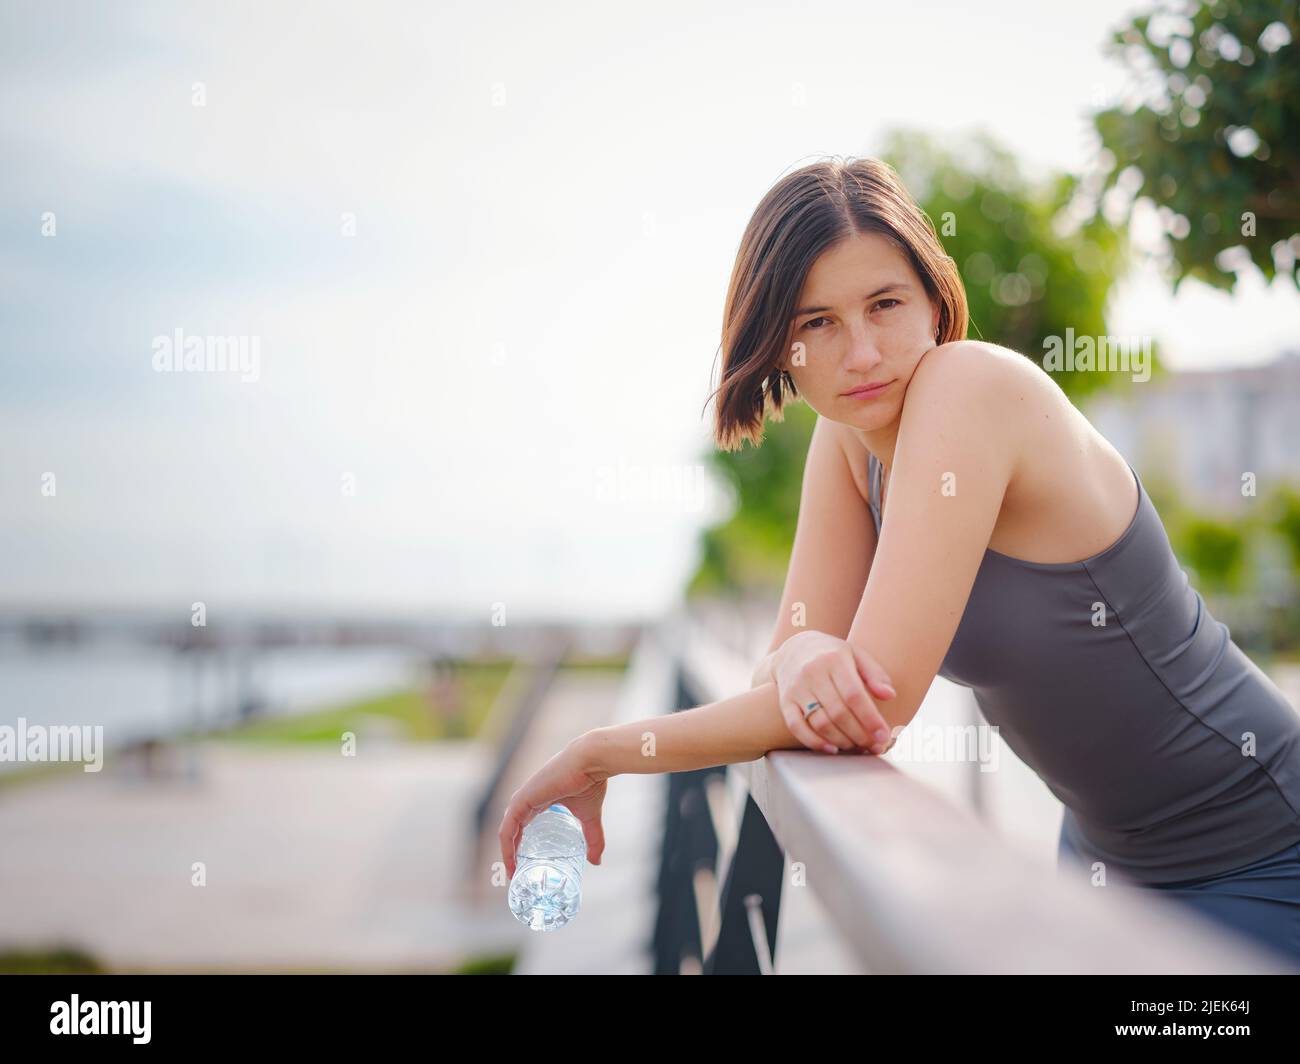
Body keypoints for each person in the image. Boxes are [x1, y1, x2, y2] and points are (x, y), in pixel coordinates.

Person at [498, 156, 1300, 968]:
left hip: (1260, 848)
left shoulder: (970, 387)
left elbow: (875, 701)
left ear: (934, 297)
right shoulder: (847, 440)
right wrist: (804, 650)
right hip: (1102, 856)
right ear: (776, 343)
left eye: (885, 304)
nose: (862, 354)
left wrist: (602, 751)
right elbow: (784, 680)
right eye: (816, 324)